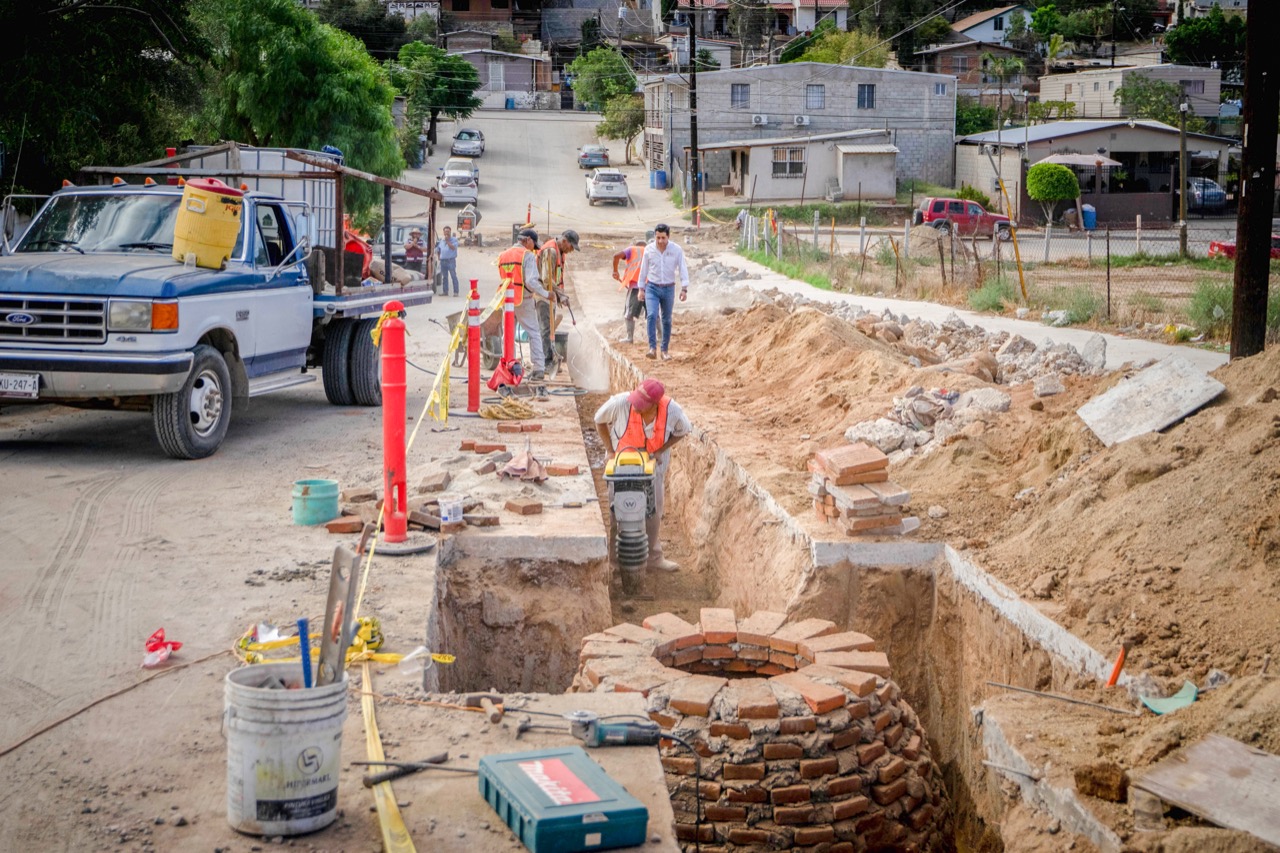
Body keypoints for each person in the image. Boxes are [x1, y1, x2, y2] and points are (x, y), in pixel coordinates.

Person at [593, 377, 691, 574]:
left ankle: (653, 558)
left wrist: (661, 450)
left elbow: (683, 430)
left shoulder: (672, 410)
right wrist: (610, 451)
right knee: (618, 512)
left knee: (653, 511)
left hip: (652, 468)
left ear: (654, 404)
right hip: (621, 466)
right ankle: (614, 562)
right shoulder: (621, 403)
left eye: (642, 405)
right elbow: (598, 420)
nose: (636, 407)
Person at [496, 228, 552, 382]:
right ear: (527, 240)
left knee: (507, 334)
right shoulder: (526, 256)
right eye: (533, 245)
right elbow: (531, 281)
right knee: (534, 333)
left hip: (506, 300)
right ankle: (539, 368)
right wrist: (547, 294)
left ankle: (510, 366)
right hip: (523, 299)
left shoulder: (503, 255)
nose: (533, 249)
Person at [636, 223, 689, 360]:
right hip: (652, 287)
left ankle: (664, 350)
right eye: (658, 238)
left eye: (663, 238)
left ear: (668, 237)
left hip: (668, 288)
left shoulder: (676, 250)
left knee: (666, 320)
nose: (660, 241)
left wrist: (684, 288)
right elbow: (643, 270)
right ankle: (652, 348)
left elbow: (682, 269)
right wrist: (641, 289)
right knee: (652, 315)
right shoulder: (649, 250)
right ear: (655, 236)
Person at [537, 230, 578, 374]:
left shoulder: (560, 253)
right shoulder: (551, 252)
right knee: (545, 329)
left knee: (549, 329)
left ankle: (549, 358)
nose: (571, 251)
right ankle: (546, 363)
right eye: (571, 247)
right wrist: (561, 295)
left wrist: (560, 297)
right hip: (542, 295)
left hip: (551, 296)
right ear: (565, 241)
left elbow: (556, 278)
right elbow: (547, 279)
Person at [611, 238, 647, 345]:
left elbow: (616, 256)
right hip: (650, 286)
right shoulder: (651, 251)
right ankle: (659, 336)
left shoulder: (632, 249)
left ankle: (629, 337)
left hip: (636, 286)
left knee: (629, 314)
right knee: (653, 314)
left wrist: (615, 271)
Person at [435, 226, 459, 296]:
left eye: (448, 232)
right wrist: (439, 257)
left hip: (450, 260)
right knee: (444, 277)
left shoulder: (454, 240)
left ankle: (456, 292)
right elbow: (438, 249)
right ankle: (445, 291)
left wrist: (447, 241)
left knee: (453, 276)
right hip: (443, 261)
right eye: (445, 232)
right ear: (443, 232)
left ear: (450, 232)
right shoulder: (441, 241)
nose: (447, 233)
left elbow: (453, 248)